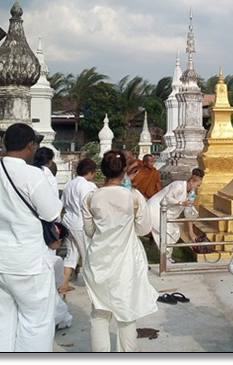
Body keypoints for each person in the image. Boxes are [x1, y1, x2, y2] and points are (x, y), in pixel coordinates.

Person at [0, 123, 63, 352]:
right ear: (30, 145)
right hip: (26, 260)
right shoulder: (33, 175)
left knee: (1, 319)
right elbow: (51, 212)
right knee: (35, 322)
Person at [82, 150, 158, 352]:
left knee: (99, 314)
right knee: (127, 315)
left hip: (98, 260)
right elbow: (144, 229)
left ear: (102, 170)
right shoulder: (133, 197)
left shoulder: (91, 198)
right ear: (125, 170)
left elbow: (89, 231)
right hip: (126, 262)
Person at [146, 168, 204, 263]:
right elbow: (168, 198)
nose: (198, 187)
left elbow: (189, 211)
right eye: (198, 185)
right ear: (192, 181)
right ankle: (165, 259)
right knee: (165, 233)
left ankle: (168, 256)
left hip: (168, 214)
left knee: (175, 233)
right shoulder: (178, 185)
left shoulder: (191, 194)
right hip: (155, 210)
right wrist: (181, 203)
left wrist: (191, 231)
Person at [59, 158, 98, 294]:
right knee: (88, 254)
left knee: (72, 253)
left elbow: (62, 203)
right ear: (90, 172)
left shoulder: (69, 184)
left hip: (68, 221)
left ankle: (63, 283)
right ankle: (93, 286)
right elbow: (87, 204)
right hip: (80, 223)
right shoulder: (85, 185)